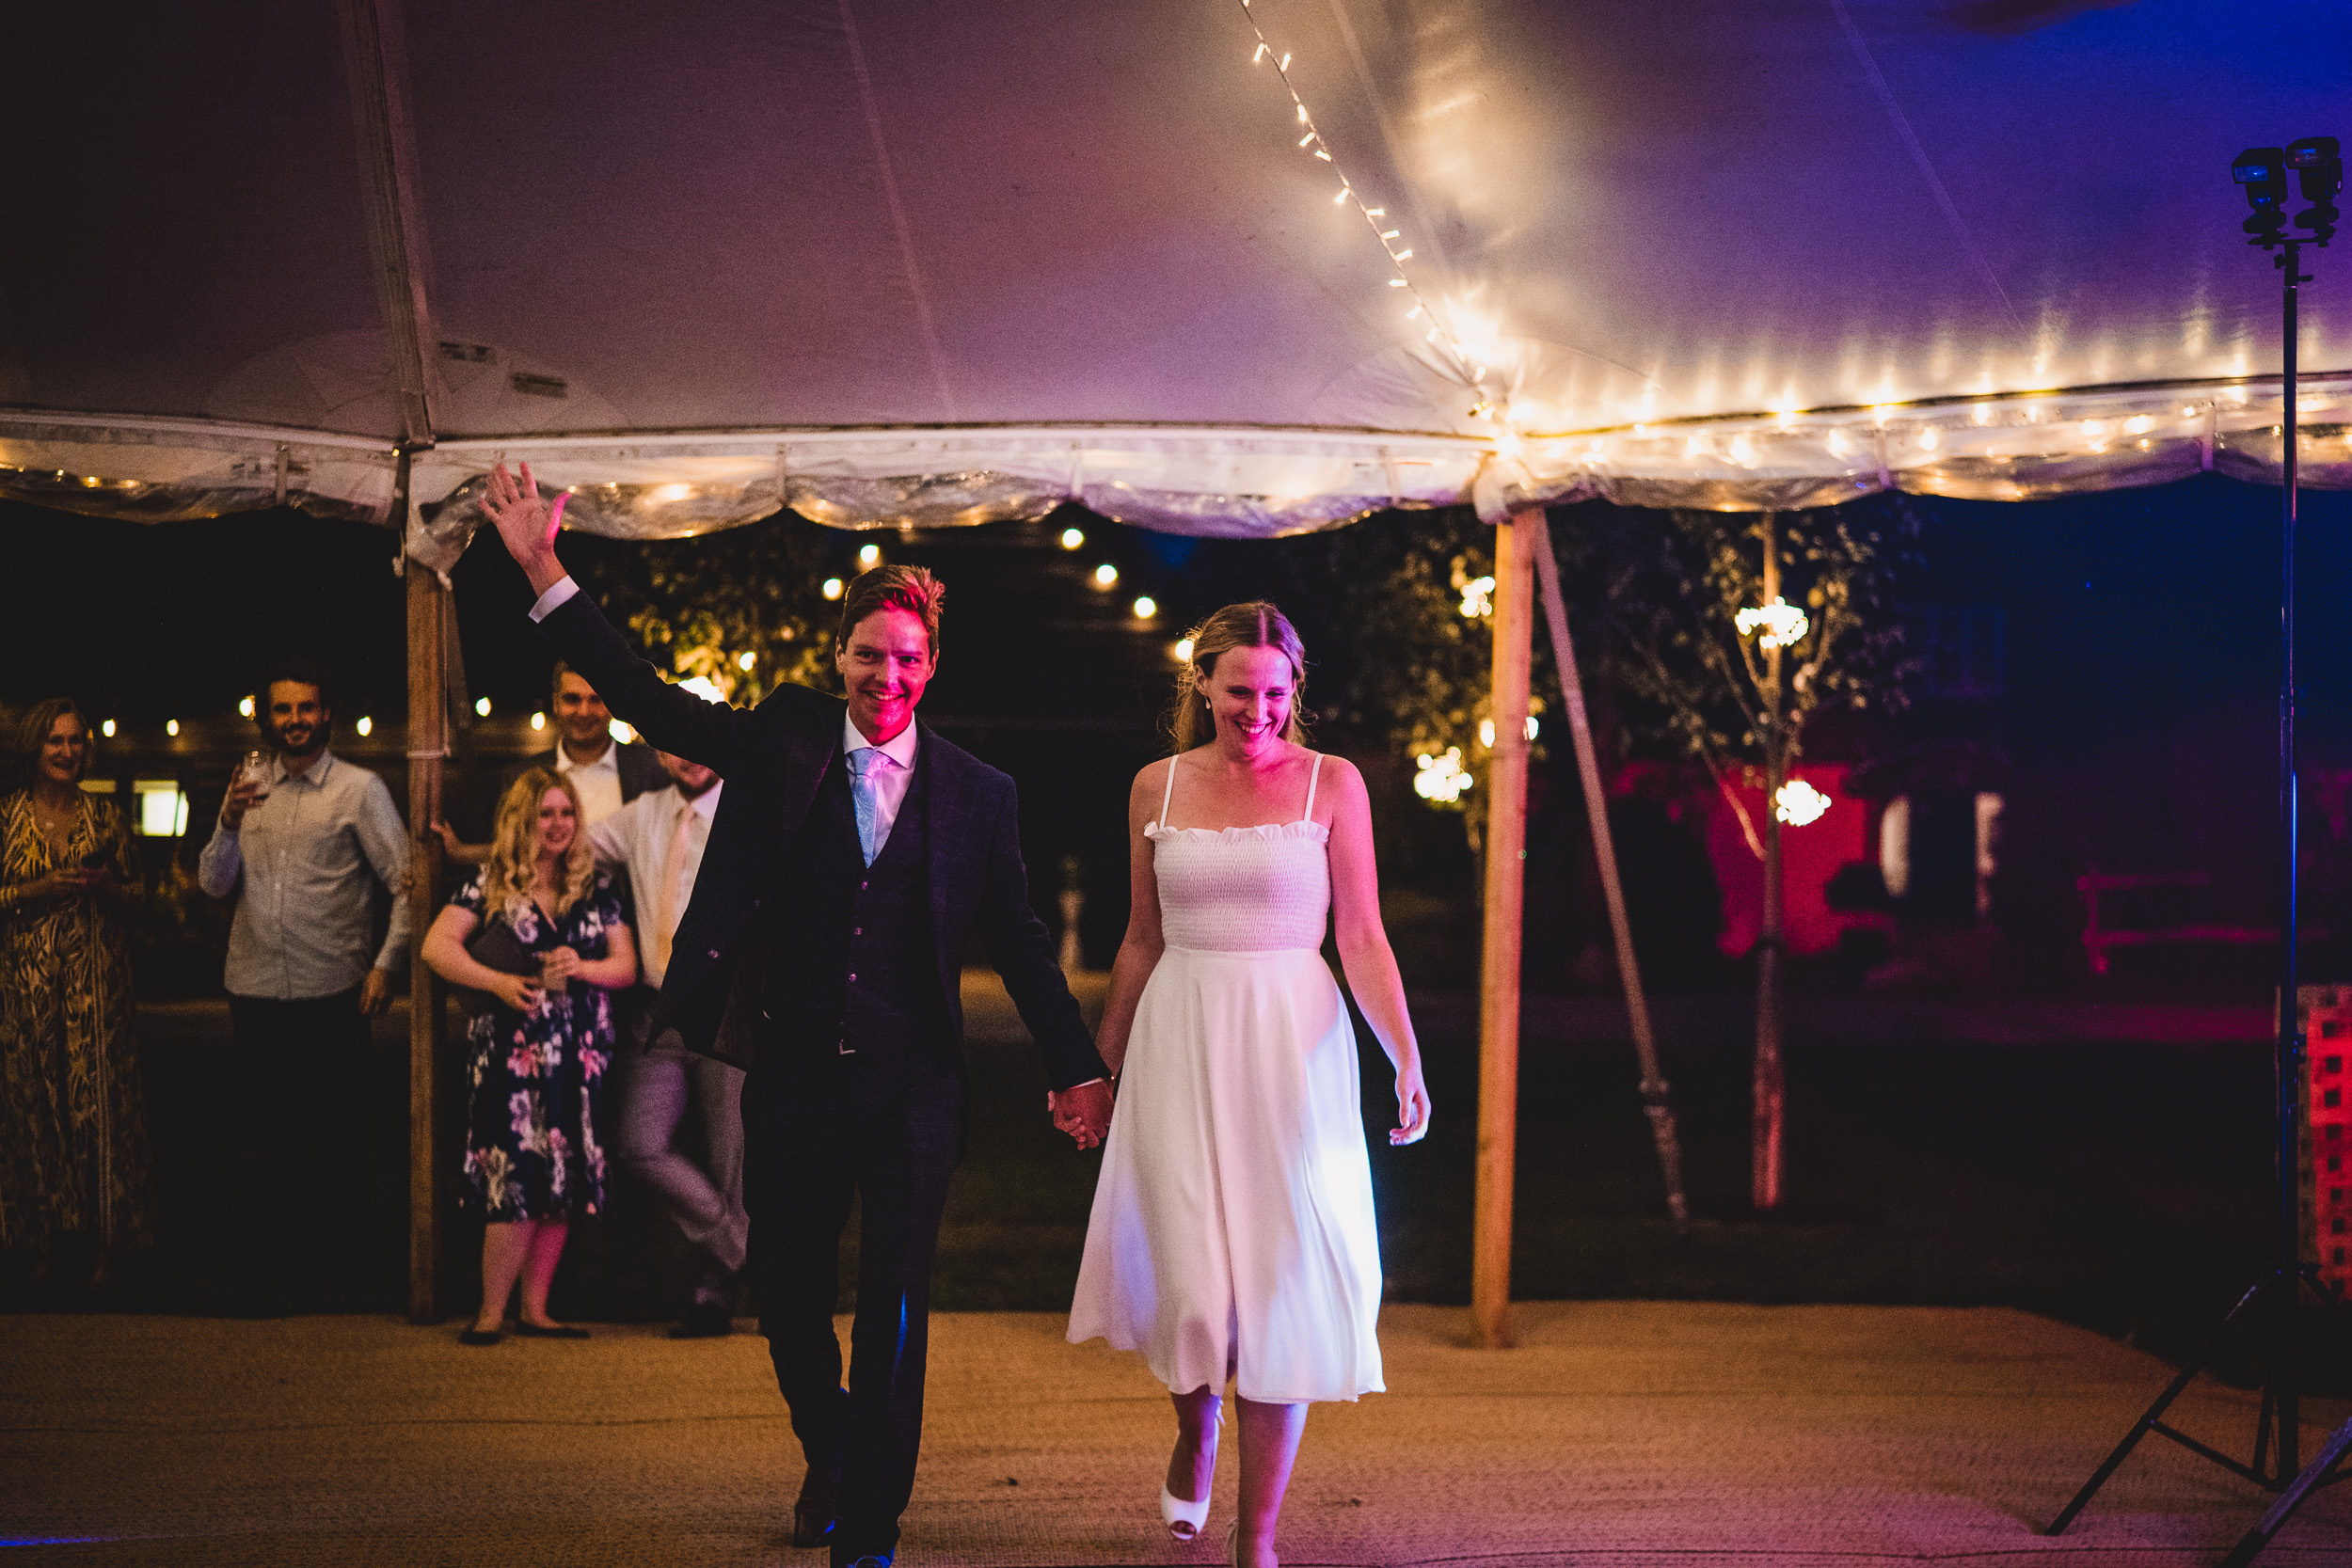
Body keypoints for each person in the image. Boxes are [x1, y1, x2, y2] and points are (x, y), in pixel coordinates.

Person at [483, 460, 1112, 1568]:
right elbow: (647, 695)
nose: (887, 674)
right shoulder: (783, 738)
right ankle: (830, 1447)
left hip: (913, 1083)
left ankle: (870, 1519)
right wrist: (545, 569)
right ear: (840, 657)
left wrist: (1074, 1062)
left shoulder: (979, 792)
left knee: (896, 1298)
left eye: (907, 658)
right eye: (869, 654)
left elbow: (1014, 936)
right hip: (792, 1071)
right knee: (783, 1289)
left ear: (931, 666)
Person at [1066, 602, 1431, 1568]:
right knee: (1190, 1285)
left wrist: (1405, 1056)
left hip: (1293, 1046)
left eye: (1275, 691)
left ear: (1292, 691)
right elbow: (1139, 938)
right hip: (1180, 1037)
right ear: (1203, 684)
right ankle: (1195, 1426)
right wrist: (1095, 1067)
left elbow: (1361, 934)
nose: (1257, 708)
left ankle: (1256, 1537)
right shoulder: (1157, 784)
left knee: (1280, 1282)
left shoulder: (1332, 782)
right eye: (1239, 689)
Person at [197, 659, 411, 1282]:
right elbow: (214, 883)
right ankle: (283, 1264)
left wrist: (386, 964)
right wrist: (228, 819)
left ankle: (345, 1266)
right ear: (270, 716)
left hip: (333, 990)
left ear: (327, 714)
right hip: (255, 986)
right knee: (274, 1135)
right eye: (283, 709)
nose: (294, 720)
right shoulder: (248, 785)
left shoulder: (359, 789)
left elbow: (407, 882)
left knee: (341, 1135)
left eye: (306, 708)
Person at [421, 768, 635, 1344]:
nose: (558, 824)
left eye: (567, 813)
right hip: (512, 1060)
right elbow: (436, 948)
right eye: (546, 813)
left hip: (578, 1056)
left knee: (561, 1178)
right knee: (514, 1178)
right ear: (524, 819)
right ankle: (491, 1312)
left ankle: (536, 1310)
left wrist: (582, 967)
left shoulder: (595, 887)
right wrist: (494, 983)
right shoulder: (491, 883)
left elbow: (626, 967)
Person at [583, 746, 747, 1339]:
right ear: (657, 751)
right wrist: (460, 851)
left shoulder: (749, 813)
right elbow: (558, 848)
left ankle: (712, 1295)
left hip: (730, 1004)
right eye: (673, 742)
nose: (689, 756)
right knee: (636, 1141)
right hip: (659, 1008)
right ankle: (747, 1250)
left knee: (733, 1157)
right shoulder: (641, 814)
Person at [0, 699, 154, 1284]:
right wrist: (32, 890)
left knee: (100, 1114)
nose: (67, 752)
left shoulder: (105, 815)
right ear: (33, 749)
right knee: (32, 1108)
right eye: (54, 742)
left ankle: (107, 1250)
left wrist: (107, 887)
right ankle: (37, 1247)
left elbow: (141, 900)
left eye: (75, 741)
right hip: (23, 989)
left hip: (96, 988)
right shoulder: (7, 816)